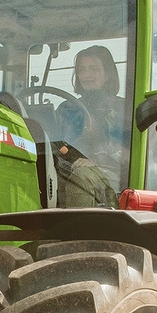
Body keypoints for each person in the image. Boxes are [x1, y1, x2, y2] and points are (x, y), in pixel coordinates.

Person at [50, 46, 128, 207]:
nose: (86, 75)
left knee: (82, 177)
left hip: (111, 174)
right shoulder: (66, 109)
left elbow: (130, 151)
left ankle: (77, 230)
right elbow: (55, 145)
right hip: (67, 169)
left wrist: (97, 159)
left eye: (93, 69)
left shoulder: (123, 109)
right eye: (81, 70)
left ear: (108, 74)